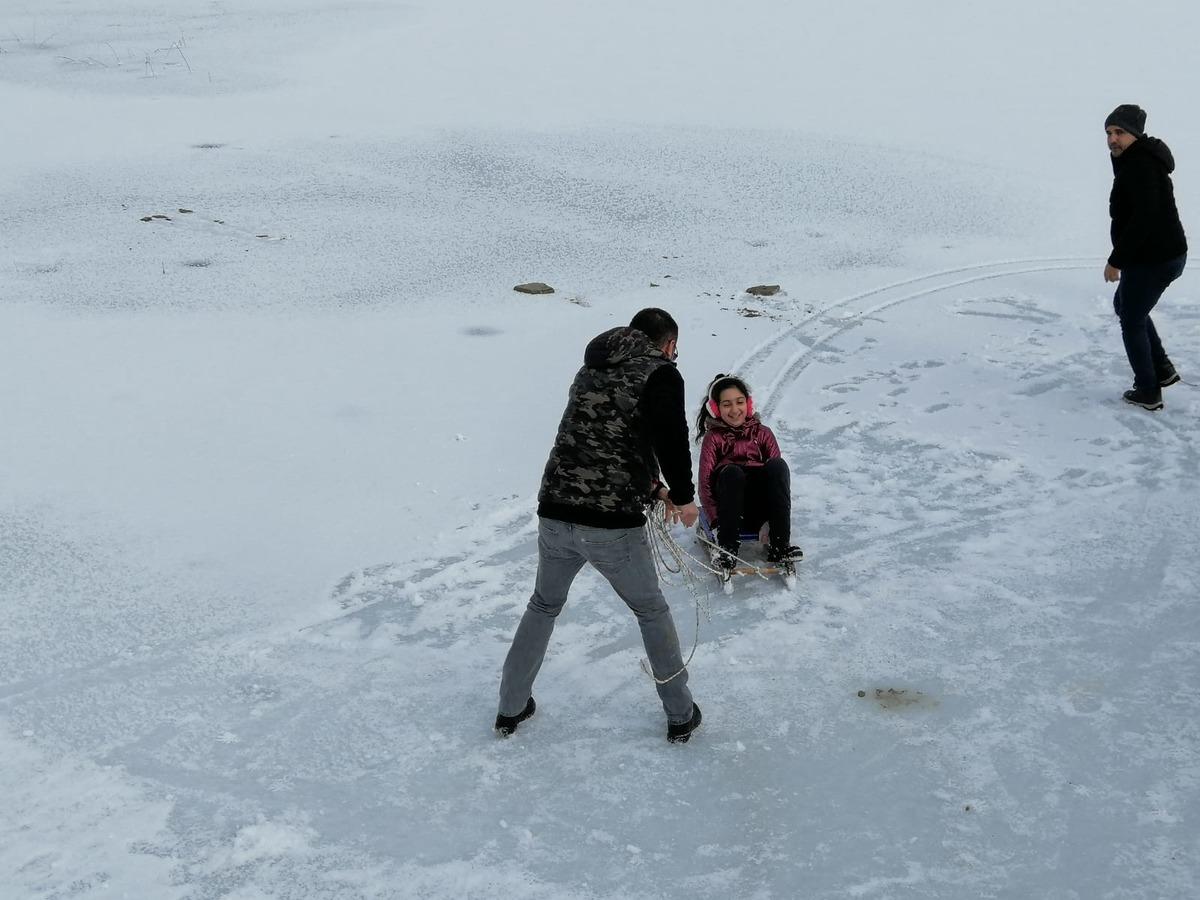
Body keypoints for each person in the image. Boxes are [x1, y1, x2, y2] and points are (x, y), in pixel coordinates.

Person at [495, 308, 703, 744]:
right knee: (651, 610)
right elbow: (669, 437)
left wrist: (656, 489)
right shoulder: (661, 373)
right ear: (668, 344)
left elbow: (603, 441)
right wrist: (684, 497)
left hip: (555, 510)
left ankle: (510, 706)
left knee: (543, 605)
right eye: (675, 350)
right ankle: (681, 714)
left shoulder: (592, 366)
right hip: (611, 524)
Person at [1103, 103, 1188, 411]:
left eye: (1120, 132)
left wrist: (1116, 260)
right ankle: (1161, 369)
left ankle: (1148, 390)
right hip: (1157, 254)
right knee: (1126, 306)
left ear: (1135, 134)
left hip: (1154, 258)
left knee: (1131, 318)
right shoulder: (1135, 159)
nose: (1113, 139)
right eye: (1109, 132)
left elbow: (1144, 219)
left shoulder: (1140, 165)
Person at [695, 374, 802, 573]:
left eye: (739, 402)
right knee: (732, 472)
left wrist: (772, 520)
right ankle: (727, 548)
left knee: (778, 465)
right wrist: (715, 521)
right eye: (727, 404)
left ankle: (780, 545)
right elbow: (705, 484)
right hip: (728, 510)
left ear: (748, 404)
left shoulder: (763, 433)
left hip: (757, 508)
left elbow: (778, 481)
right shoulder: (713, 438)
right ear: (716, 408)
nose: (735, 410)